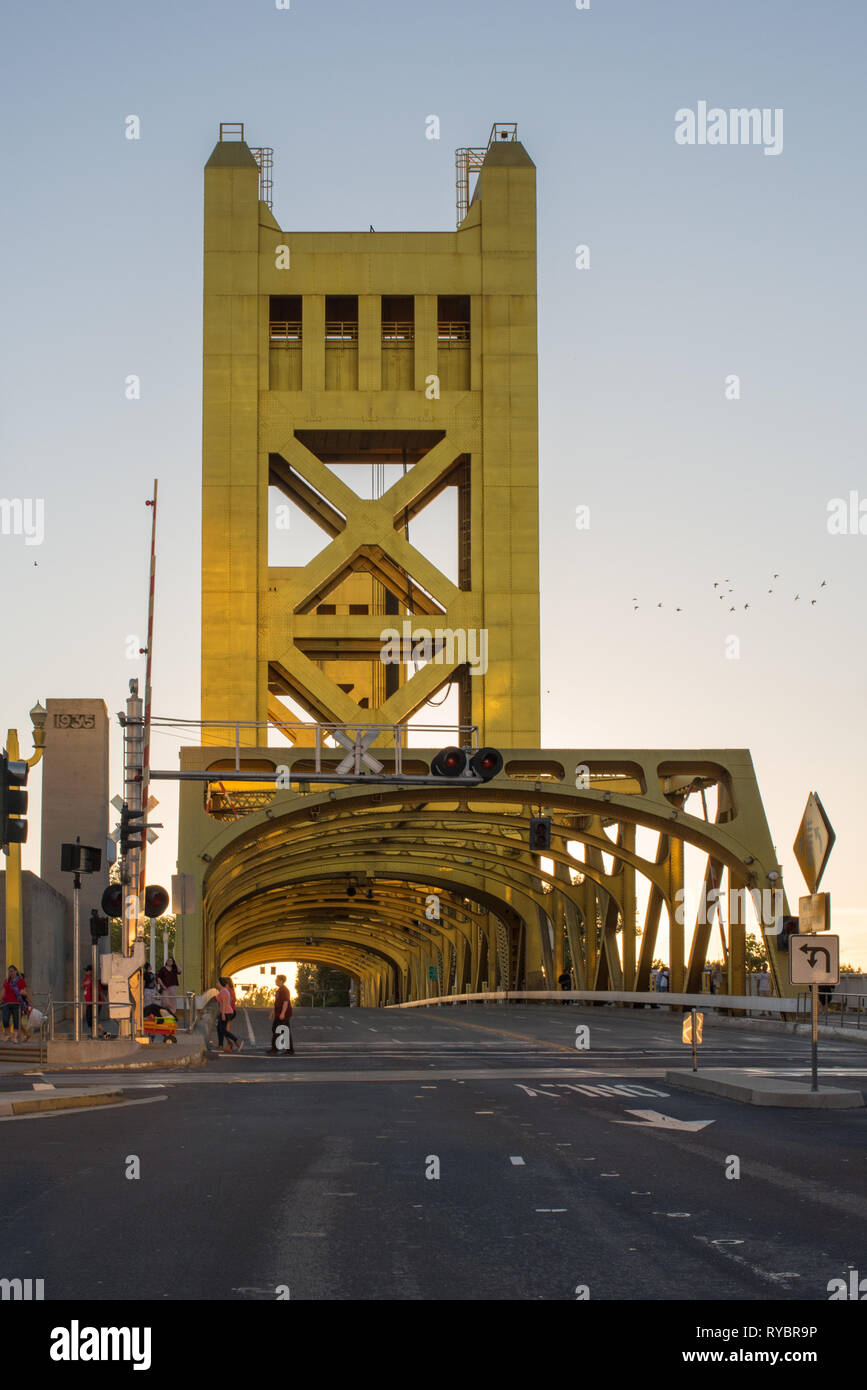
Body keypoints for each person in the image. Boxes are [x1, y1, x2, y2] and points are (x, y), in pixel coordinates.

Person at [1, 966, 30, 1043]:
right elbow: (3, 992)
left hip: (16, 1004)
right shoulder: (7, 981)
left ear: (16, 971)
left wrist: (23, 993)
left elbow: (24, 992)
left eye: (12, 971)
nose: (11, 973)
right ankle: (8, 1035)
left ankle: (14, 1037)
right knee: (5, 1020)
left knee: (16, 1021)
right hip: (6, 1003)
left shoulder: (21, 981)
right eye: (9, 971)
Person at [83, 965, 111, 1038]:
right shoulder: (86, 979)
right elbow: (82, 987)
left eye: (87, 970)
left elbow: (100, 993)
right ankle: (102, 1033)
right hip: (88, 1003)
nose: (85, 972)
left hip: (96, 1003)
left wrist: (105, 1004)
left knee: (93, 1019)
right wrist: (85, 984)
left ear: (91, 971)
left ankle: (102, 1033)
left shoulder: (95, 981)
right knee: (89, 1020)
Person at [216, 976, 242, 1053]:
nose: (216, 984)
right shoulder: (223, 990)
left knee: (223, 1030)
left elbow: (224, 1003)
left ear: (221, 983)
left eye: (217, 982)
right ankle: (221, 1046)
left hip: (226, 1012)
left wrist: (223, 1014)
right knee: (219, 1029)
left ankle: (236, 1041)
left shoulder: (224, 991)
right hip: (226, 1012)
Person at [269, 974, 293, 1054]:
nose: (275, 981)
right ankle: (276, 1048)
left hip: (284, 1014)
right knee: (275, 1030)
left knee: (283, 1031)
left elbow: (285, 1002)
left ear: (281, 981)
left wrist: (282, 1014)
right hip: (278, 1013)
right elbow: (276, 1003)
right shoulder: (279, 990)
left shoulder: (285, 990)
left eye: (277, 980)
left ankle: (288, 1050)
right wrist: (272, 1013)